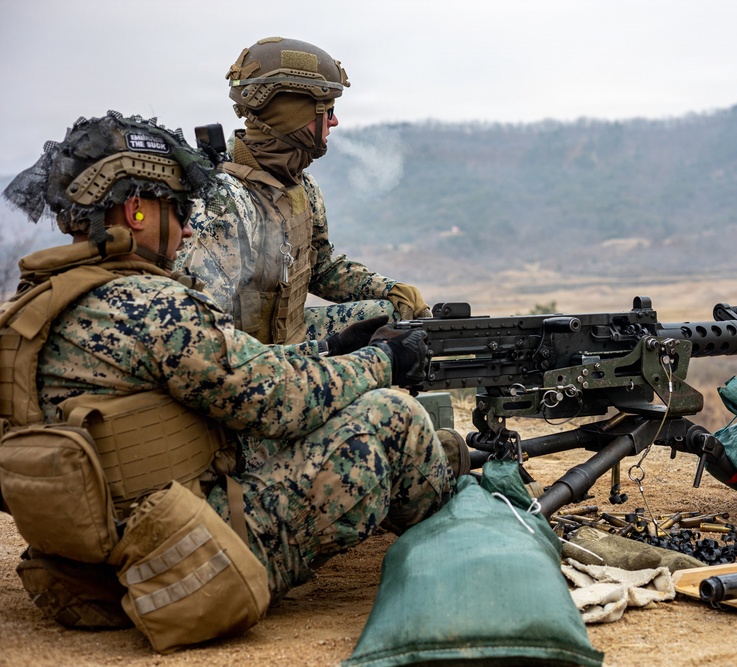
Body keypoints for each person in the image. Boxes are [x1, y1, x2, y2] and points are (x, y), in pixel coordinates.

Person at [0, 112, 454, 650]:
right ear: (135, 209)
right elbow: (283, 403)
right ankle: (454, 514)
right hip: (184, 562)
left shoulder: (30, 310)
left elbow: (229, 380)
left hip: (86, 568)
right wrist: (384, 362)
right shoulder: (152, 305)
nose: (189, 228)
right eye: (178, 209)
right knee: (393, 419)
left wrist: (328, 350)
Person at [177, 36, 431, 346]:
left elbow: (320, 267)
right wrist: (322, 358)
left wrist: (390, 290)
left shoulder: (300, 186)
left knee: (388, 316)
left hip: (287, 342)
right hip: (243, 362)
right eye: (328, 109)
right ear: (292, 114)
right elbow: (198, 339)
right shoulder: (224, 202)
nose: (334, 121)